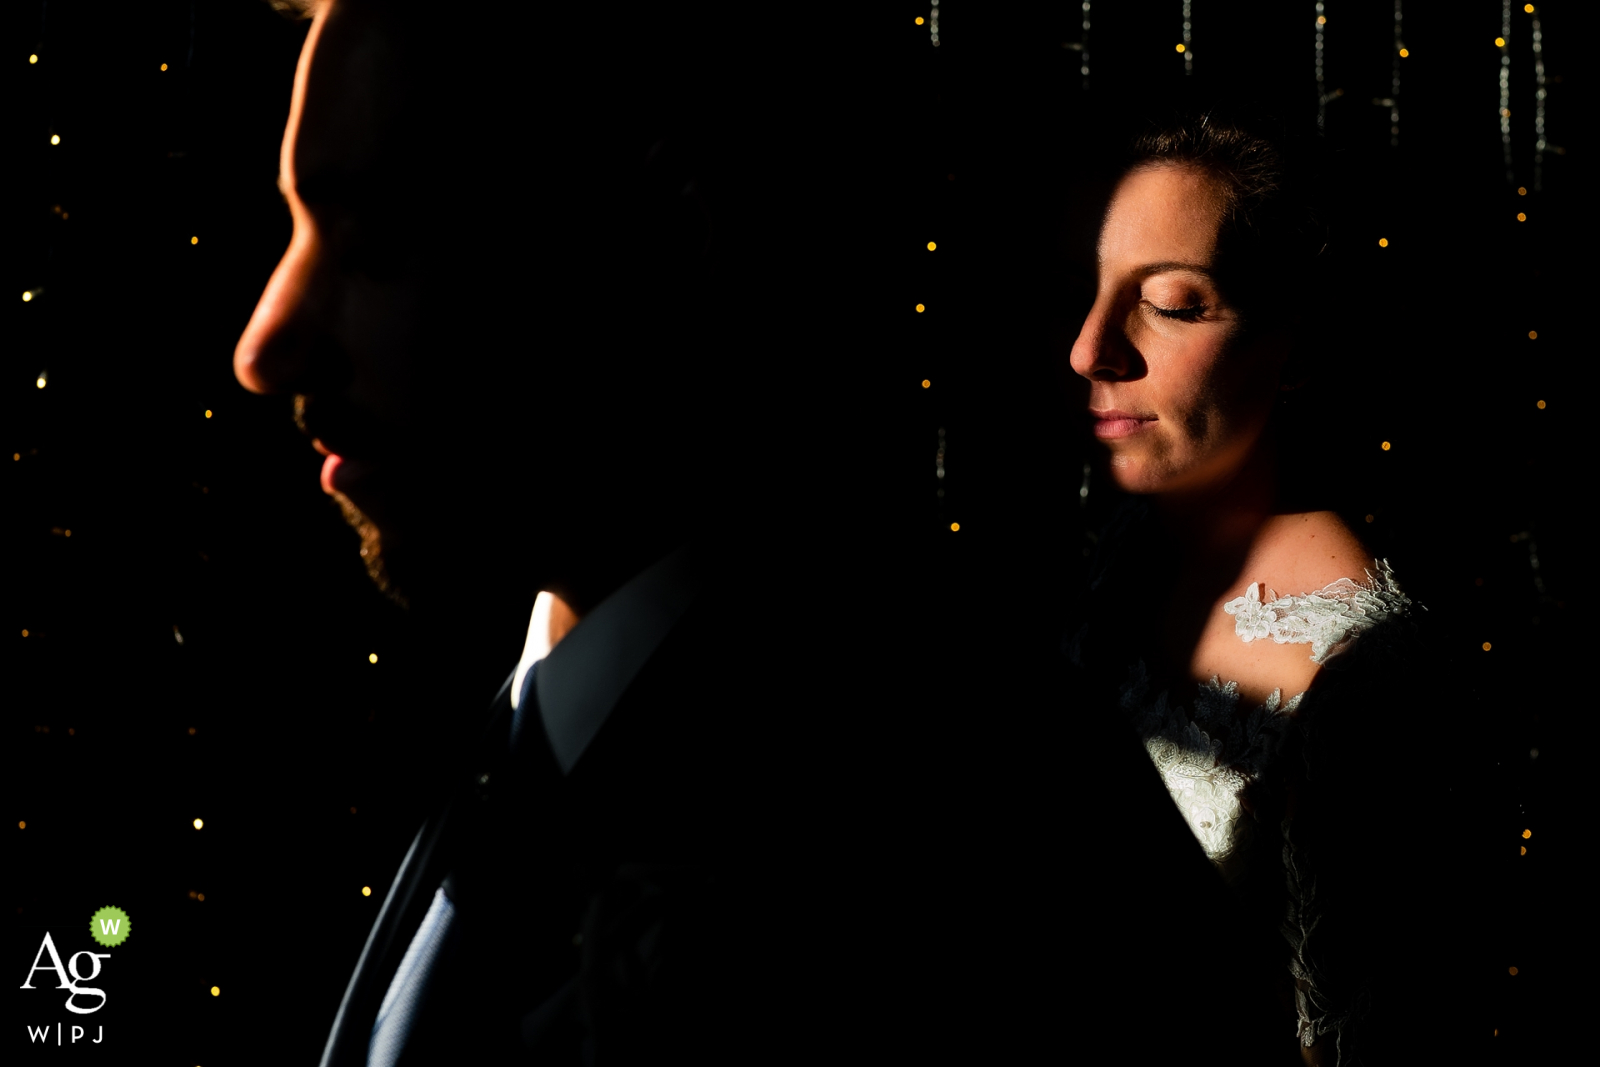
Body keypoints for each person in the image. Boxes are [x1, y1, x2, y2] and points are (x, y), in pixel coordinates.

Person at [1063, 110, 1497, 1064]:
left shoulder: (1368, 675)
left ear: (1294, 347)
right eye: (1093, 292)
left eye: (1173, 304)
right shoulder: (1117, 557)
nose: (1090, 349)